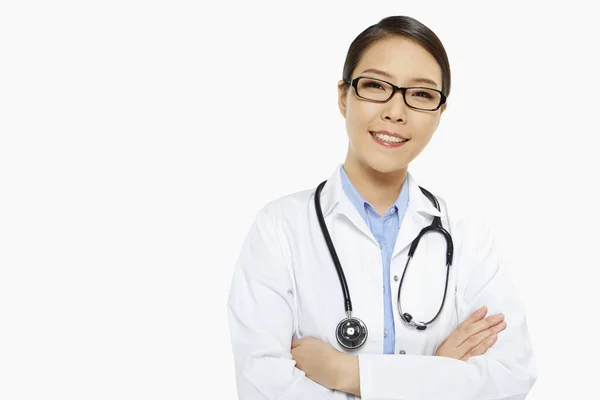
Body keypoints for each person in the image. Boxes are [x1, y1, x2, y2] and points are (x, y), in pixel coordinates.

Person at [226, 15, 537, 400]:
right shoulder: (278, 229)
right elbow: (263, 385)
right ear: (344, 96)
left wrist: (348, 372)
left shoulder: (470, 238)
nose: (395, 111)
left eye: (421, 95)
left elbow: (510, 377)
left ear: (440, 113)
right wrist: (438, 371)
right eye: (376, 86)